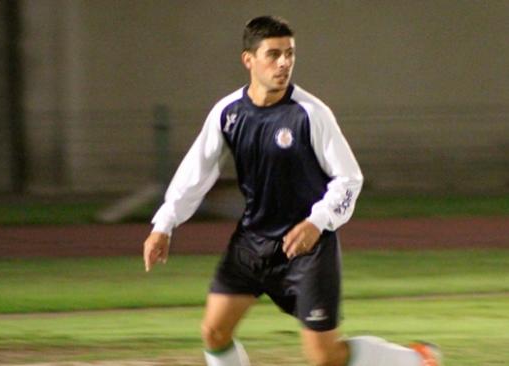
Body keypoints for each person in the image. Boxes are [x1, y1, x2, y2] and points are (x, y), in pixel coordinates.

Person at [142, 15, 442, 366]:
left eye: (290, 53)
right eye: (273, 54)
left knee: (326, 357)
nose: (284, 62)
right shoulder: (227, 113)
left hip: (307, 249)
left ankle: (417, 360)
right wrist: (164, 224)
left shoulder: (311, 114)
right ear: (248, 60)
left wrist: (318, 222)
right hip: (252, 244)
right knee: (214, 332)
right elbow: (196, 173)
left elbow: (349, 179)